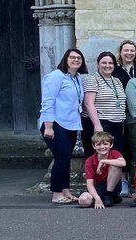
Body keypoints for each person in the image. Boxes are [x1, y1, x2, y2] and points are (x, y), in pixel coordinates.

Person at [40, 48, 86, 204]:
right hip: (55, 123)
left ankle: (65, 191)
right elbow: (47, 101)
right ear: (65, 59)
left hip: (70, 124)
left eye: (79, 58)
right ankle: (56, 194)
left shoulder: (77, 78)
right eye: (72, 57)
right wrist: (48, 126)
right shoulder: (55, 77)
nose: (76, 60)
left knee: (66, 158)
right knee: (61, 157)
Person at [82, 51, 128, 160]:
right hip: (100, 123)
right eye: (104, 63)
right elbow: (89, 103)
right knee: (99, 156)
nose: (107, 66)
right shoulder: (92, 79)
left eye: (110, 63)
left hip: (116, 124)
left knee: (115, 156)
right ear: (98, 64)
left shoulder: (116, 81)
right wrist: (97, 125)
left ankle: (112, 177)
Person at [78, 131, 125, 208]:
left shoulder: (114, 153)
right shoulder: (90, 161)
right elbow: (90, 184)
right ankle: (102, 198)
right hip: (98, 187)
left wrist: (103, 161)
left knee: (116, 165)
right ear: (94, 146)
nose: (102, 147)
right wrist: (97, 198)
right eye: (98, 144)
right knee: (83, 201)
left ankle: (108, 195)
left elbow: (123, 163)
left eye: (105, 144)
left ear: (111, 145)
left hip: (112, 186)